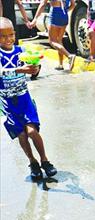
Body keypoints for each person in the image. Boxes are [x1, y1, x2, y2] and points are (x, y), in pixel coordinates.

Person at [0, 17, 57, 180]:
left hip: (24, 99)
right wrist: (21, 70)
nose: (8, 39)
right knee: (21, 135)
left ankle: (45, 160)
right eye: (3, 36)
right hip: (7, 102)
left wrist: (35, 68)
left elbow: (33, 71)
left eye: (10, 35)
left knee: (32, 131)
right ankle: (32, 162)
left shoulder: (21, 52)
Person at [31, 0, 76, 71]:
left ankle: (69, 56)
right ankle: (60, 64)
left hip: (55, 15)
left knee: (52, 41)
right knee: (59, 41)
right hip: (64, 15)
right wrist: (65, 10)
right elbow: (73, 5)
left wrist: (35, 18)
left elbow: (43, 4)